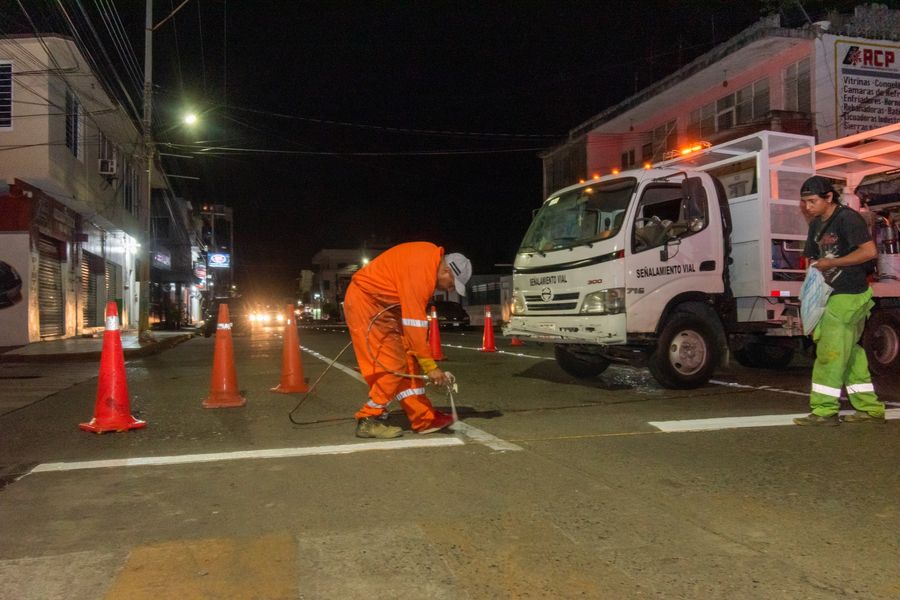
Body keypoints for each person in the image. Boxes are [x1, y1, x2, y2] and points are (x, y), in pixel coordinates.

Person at [343, 242, 472, 438]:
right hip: (368, 304)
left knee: (410, 361)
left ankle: (423, 418)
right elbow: (415, 326)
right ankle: (368, 418)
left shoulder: (428, 261)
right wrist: (431, 367)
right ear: (446, 270)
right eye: (453, 283)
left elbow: (414, 328)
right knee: (393, 365)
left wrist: (423, 359)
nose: (451, 289)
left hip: (382, 305)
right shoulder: (422, 274)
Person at [794, 176, 886, 426]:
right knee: (850, 354)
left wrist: (832, 263)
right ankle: (869, 409)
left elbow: (869, 252)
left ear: (828, 197)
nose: (807, 207)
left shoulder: (847, 218)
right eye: (804, 202)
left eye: (812, 201)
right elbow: (812, 259)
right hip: (830, 294)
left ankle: (824, 411)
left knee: (830, 353)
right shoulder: (816, 224)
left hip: (847, 295)